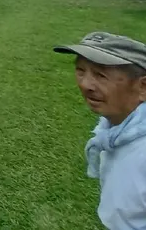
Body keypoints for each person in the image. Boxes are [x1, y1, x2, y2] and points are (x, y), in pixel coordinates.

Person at [55, 32, 146, 229]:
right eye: (81, 70)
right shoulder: (117, 129)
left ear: (143, 87)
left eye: (100, 75)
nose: (85, 84)